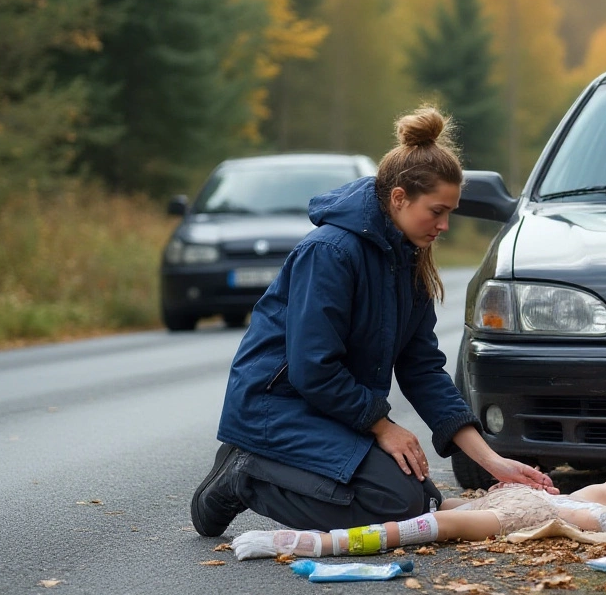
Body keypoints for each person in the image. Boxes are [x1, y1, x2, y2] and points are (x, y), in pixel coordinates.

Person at [190, 106, 554, 540]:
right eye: (436, 211)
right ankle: (244, 472)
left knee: (417, 500)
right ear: (399, 198)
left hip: (331, 410)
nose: (444, 225)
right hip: (278, 407)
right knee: (401, 502)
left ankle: (271, 471)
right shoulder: (330, 252)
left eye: (450, 213)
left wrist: (489, 459)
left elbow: (421, 369)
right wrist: (383, 426)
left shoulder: (409, 259)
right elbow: (312, 368)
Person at [228, 458, 606, 560]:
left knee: (433, 524)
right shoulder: (587, 490)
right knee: (418, 497)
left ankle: (318, 544)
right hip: (519, 503)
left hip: (521, 517)